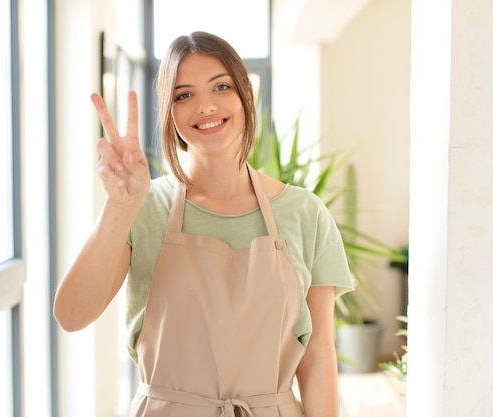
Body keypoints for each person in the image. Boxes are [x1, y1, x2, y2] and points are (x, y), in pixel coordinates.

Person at [54, 31, 354, 417]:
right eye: (183, 95)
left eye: (221, 86)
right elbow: (71, 316)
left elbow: (317, 361)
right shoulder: (143, 208)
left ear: (245, 93)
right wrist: (119, 206)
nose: (206, 106)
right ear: (168, 111)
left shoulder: (304, 212)